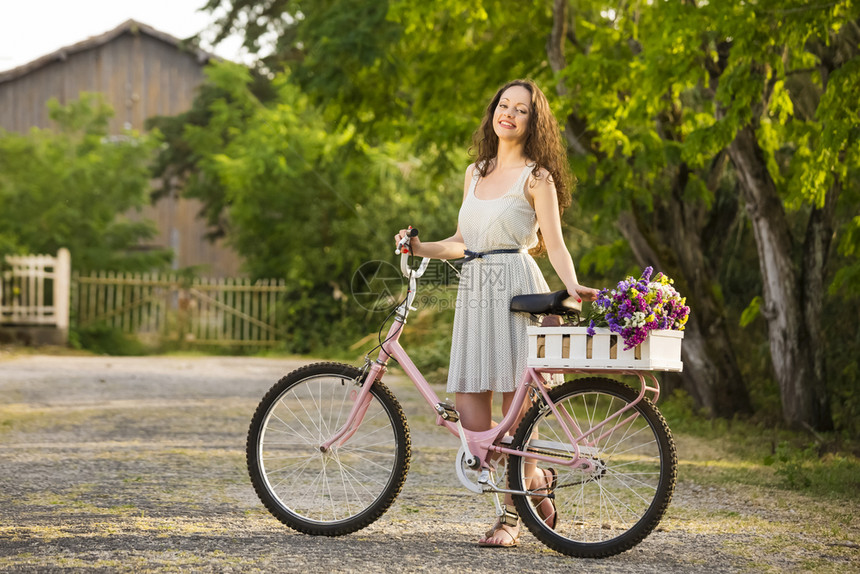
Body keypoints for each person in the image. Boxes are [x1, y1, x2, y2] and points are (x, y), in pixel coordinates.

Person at [394, 79, 599, 548]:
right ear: (493, 113)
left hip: (516, 287)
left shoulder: (537, 177)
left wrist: (570, 286)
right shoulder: (475, 171)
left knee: (518, 411)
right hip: (475, 291)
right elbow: (464, 241)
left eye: (520, 109)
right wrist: (421, 246)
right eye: (503, 105)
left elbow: (556, 244)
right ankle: (536, 480)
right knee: (471, 414)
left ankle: (509, 517)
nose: (508, 113)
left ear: (533, 121)